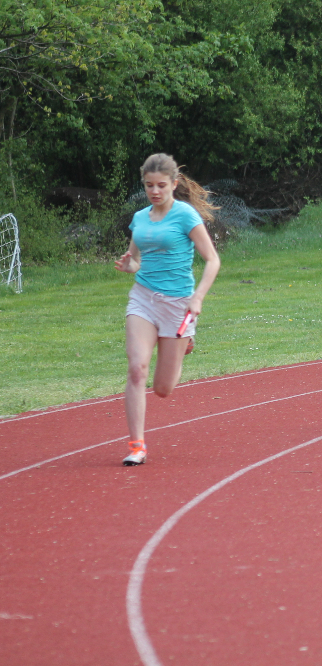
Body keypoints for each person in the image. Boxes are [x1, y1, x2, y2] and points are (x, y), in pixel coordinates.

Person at [114, 154, 221, 465]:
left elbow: (212, 260)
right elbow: (136, 259)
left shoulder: (186, 216)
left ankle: (185, 339)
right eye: (149, 186)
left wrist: (198, 297)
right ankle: (137, 445)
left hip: (177, 304)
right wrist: (129, 264)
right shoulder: (140, 219)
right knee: (136, 368)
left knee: (163, 389)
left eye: (161, 185)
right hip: (143, 298)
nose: (155, 191)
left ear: (174, 184)